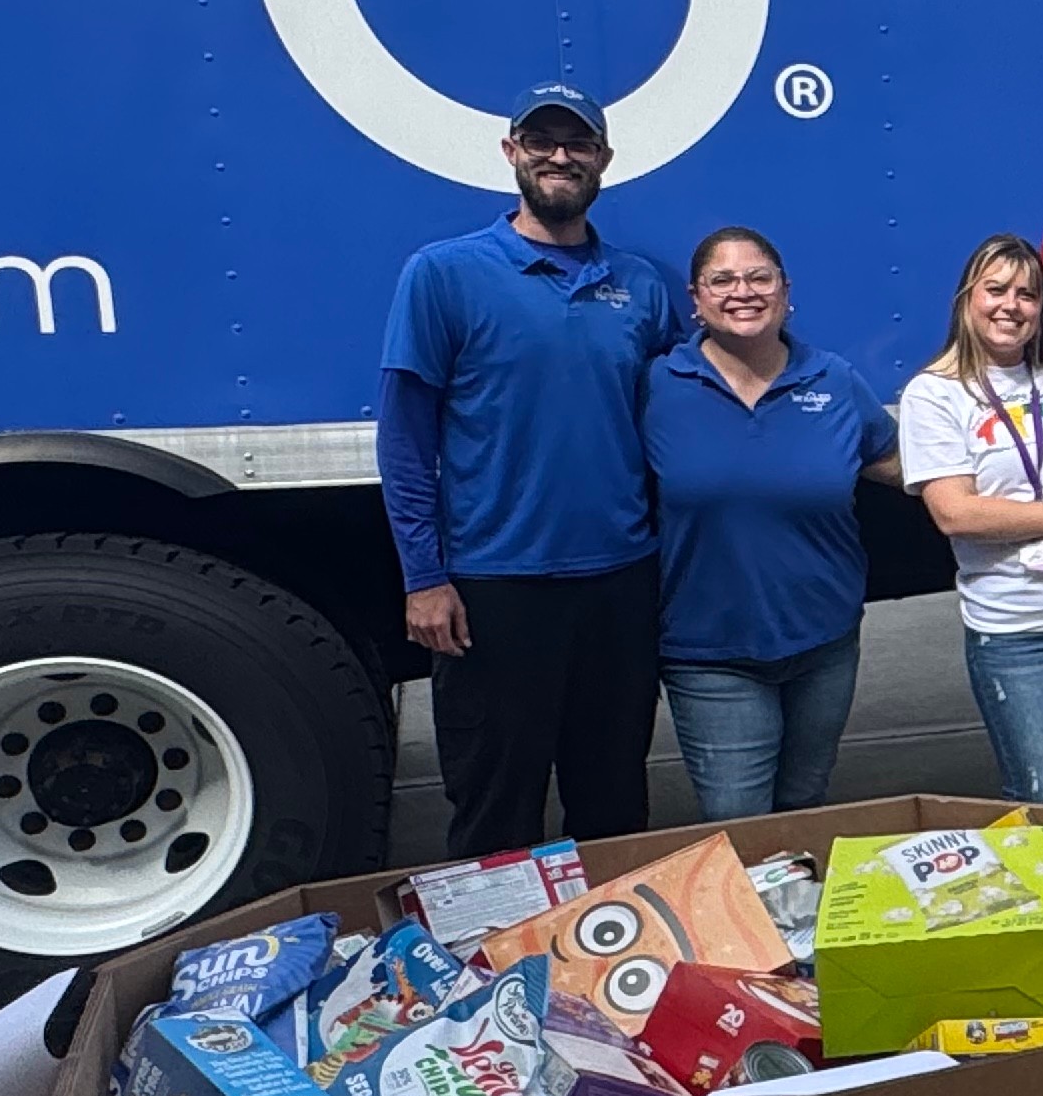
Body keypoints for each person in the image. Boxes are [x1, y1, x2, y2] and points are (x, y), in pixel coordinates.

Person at [378, 84, 686, 854]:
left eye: (577, 143)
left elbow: (681, 424)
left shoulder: (642, 285)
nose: (560, 156)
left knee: (613, 806)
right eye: (542, 141)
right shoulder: (444, 274)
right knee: (496, 812)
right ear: (512, 152)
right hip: (496, 586)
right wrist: (424, 578)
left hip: (620, 582)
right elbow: (406, 438)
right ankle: (501, 937)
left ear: (603, 160)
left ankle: (604, 934)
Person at [640, 226, 901, 820]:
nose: (743, 292)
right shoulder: (657, 386)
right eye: (722, 280)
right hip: (709, 651)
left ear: (785, 291)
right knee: (742, 821)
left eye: (759, 278)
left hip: (825, 641)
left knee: (805, 805)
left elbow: (901, 466)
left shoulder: (833, 380)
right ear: (696, 299)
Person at [895, 235, 1043, 806]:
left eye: (1027, 294)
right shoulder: (934, 394)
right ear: (966, 300)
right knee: (1041, 797)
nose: (1011, 305)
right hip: (1014, 627)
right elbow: (955, 512)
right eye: (996, 290)